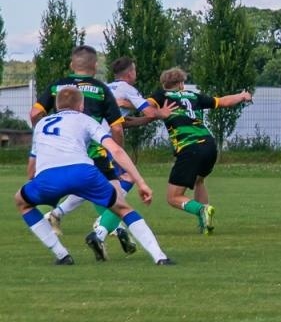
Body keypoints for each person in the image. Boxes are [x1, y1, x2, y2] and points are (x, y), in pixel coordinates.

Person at [15, 85, 171, 265]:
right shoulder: (86, 119)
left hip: (48, 177)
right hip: (83, 172)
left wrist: (34, 184)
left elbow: (32, 165)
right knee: (123, 208)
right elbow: (116, 150)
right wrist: (141, 182)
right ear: (81, 106)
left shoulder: (42, 124)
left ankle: (62, 255)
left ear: (57, 106)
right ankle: (160, 257)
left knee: (22, 201)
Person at [149, 67, 253, 234]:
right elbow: (222, 102)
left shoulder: (162, 96)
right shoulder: (194, 96)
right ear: (181, 84)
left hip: (190, 147)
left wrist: (156, 112)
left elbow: (145, 107)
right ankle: (205, 224)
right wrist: (242, 96)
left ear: (164, 84)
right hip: (209, 145)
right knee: (199, 181)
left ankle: (201, 210)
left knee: (173, 197)